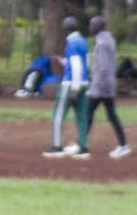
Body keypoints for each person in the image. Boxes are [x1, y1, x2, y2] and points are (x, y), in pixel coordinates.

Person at [45, 16, 91, 158]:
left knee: (58, 115)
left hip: (70, 84)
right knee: (82, 116)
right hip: (84, 83)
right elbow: (85, 64)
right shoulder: (83, 41)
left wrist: (74, 89)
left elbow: (76, 66)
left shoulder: (71, 43)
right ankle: (83, 147)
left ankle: (57, 146)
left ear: (65, 29)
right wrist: (63, 61)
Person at [83, 15, 129, 158]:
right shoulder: (109, 39)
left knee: (88, 113)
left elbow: (102, 67)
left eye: (92, 24)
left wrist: (95, 88)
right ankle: (123, 145)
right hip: (108, 84)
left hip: (101, 86)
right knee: (111, 115)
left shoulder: (102, 43)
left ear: (99, 26)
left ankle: (82, 144)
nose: (90, 27)